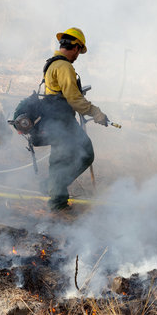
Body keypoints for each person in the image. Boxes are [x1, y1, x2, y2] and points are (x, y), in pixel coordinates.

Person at [40, 27, 108, 211]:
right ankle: (55, 190)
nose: (78, 55)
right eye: (79, 51)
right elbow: (74, 99)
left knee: (58, 159)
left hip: (53, 121)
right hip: (62, 121)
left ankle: (56, 198)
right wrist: (96, 112)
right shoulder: (64, 66)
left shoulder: (52, 63)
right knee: (86, 152)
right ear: (75, 47)